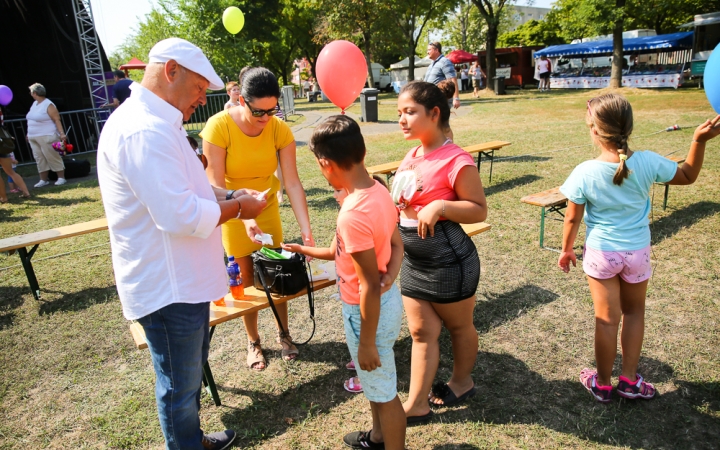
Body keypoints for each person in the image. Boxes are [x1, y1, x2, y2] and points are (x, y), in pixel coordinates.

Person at [96, 37, 267, 449]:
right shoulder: (142, 131)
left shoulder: (158, 124)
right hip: (167, 288)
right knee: (178, 384)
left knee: (187, 376)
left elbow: (190, 188)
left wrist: (229, 196)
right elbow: (181, 215)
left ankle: (191, 438)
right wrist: (239, 208)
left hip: (181, 283)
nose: (199, 101)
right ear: (170, 70)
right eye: (197, 90)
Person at [557, 94, 720, 403]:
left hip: (601, 253)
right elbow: (687, 175)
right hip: (637, 252)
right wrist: (698, 141)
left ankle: (603, 384)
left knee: (606, 319)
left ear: (594, 129)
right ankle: (630, 381)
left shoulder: (584, 171)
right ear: (628, 127)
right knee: (634, 314)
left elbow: (572, 217)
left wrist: (567, 249)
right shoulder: (646, 161)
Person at [201, 67, 315, 370]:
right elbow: (214, 184)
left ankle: (284, 334)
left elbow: (291, 181)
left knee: (278, 273)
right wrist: (241, 213)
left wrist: (306, 229)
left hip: (265, 209)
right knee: (246, 281)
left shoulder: (279, 129)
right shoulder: (218, 127)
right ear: (240, 101)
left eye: (272, 110)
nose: (266, 118)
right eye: (258, 111)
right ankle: (253, 342)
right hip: (231, 210)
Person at [307, 114, 406, 449]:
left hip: (367, 314)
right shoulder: (378, 189)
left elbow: (366, 286)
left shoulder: (352, 214)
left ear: (326, 164)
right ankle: (378, 437)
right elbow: (396, 245)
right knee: (376, 384)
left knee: (385, 391)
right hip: (385, 305)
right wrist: (391, 274)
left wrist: (364, 343)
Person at [394, 81, 488, 424]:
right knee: (421, 333)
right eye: (399, 113)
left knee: (460, 328)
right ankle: (417, 404)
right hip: (415, 263)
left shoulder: (457, 160)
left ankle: (462, 383)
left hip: (450, 263)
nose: (402, 120)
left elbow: (478, 209)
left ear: (434, 114)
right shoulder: (412, 153)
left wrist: (441, 207)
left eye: (409, 112)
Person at [283, 175, 392, 396]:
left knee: (370, 340)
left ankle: (366, 377)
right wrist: (301, 249)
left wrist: (389, 275)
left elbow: (370, 279)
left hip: (360, 298)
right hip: (349, 294)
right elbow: (333, 252)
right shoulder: (345, 217)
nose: (334, 195)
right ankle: (359, 358)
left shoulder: (355, 219)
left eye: (338, 190)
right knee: (358, 336)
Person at [26, 83, 66, 187]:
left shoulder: (49, 104)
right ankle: (43, 179)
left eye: (31, 92)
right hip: (33, 136)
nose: (30, 94)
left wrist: (61, 133)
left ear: (35, 93)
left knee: (52, 155)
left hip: (47, 135)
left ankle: (61, 177)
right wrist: (28, 133)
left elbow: (57, 120)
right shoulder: (34, 104)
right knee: (39, 158)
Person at [424, 42, 460, 141]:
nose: (427, 52)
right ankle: (439, 148)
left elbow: (453, 80)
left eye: (429, 50)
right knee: (434, 125)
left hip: (442, 99)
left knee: (444, 125)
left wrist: (456, 98)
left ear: (436, 50)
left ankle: (451, 150)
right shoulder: (432, 64)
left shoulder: (445, 62)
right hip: (432, 100)